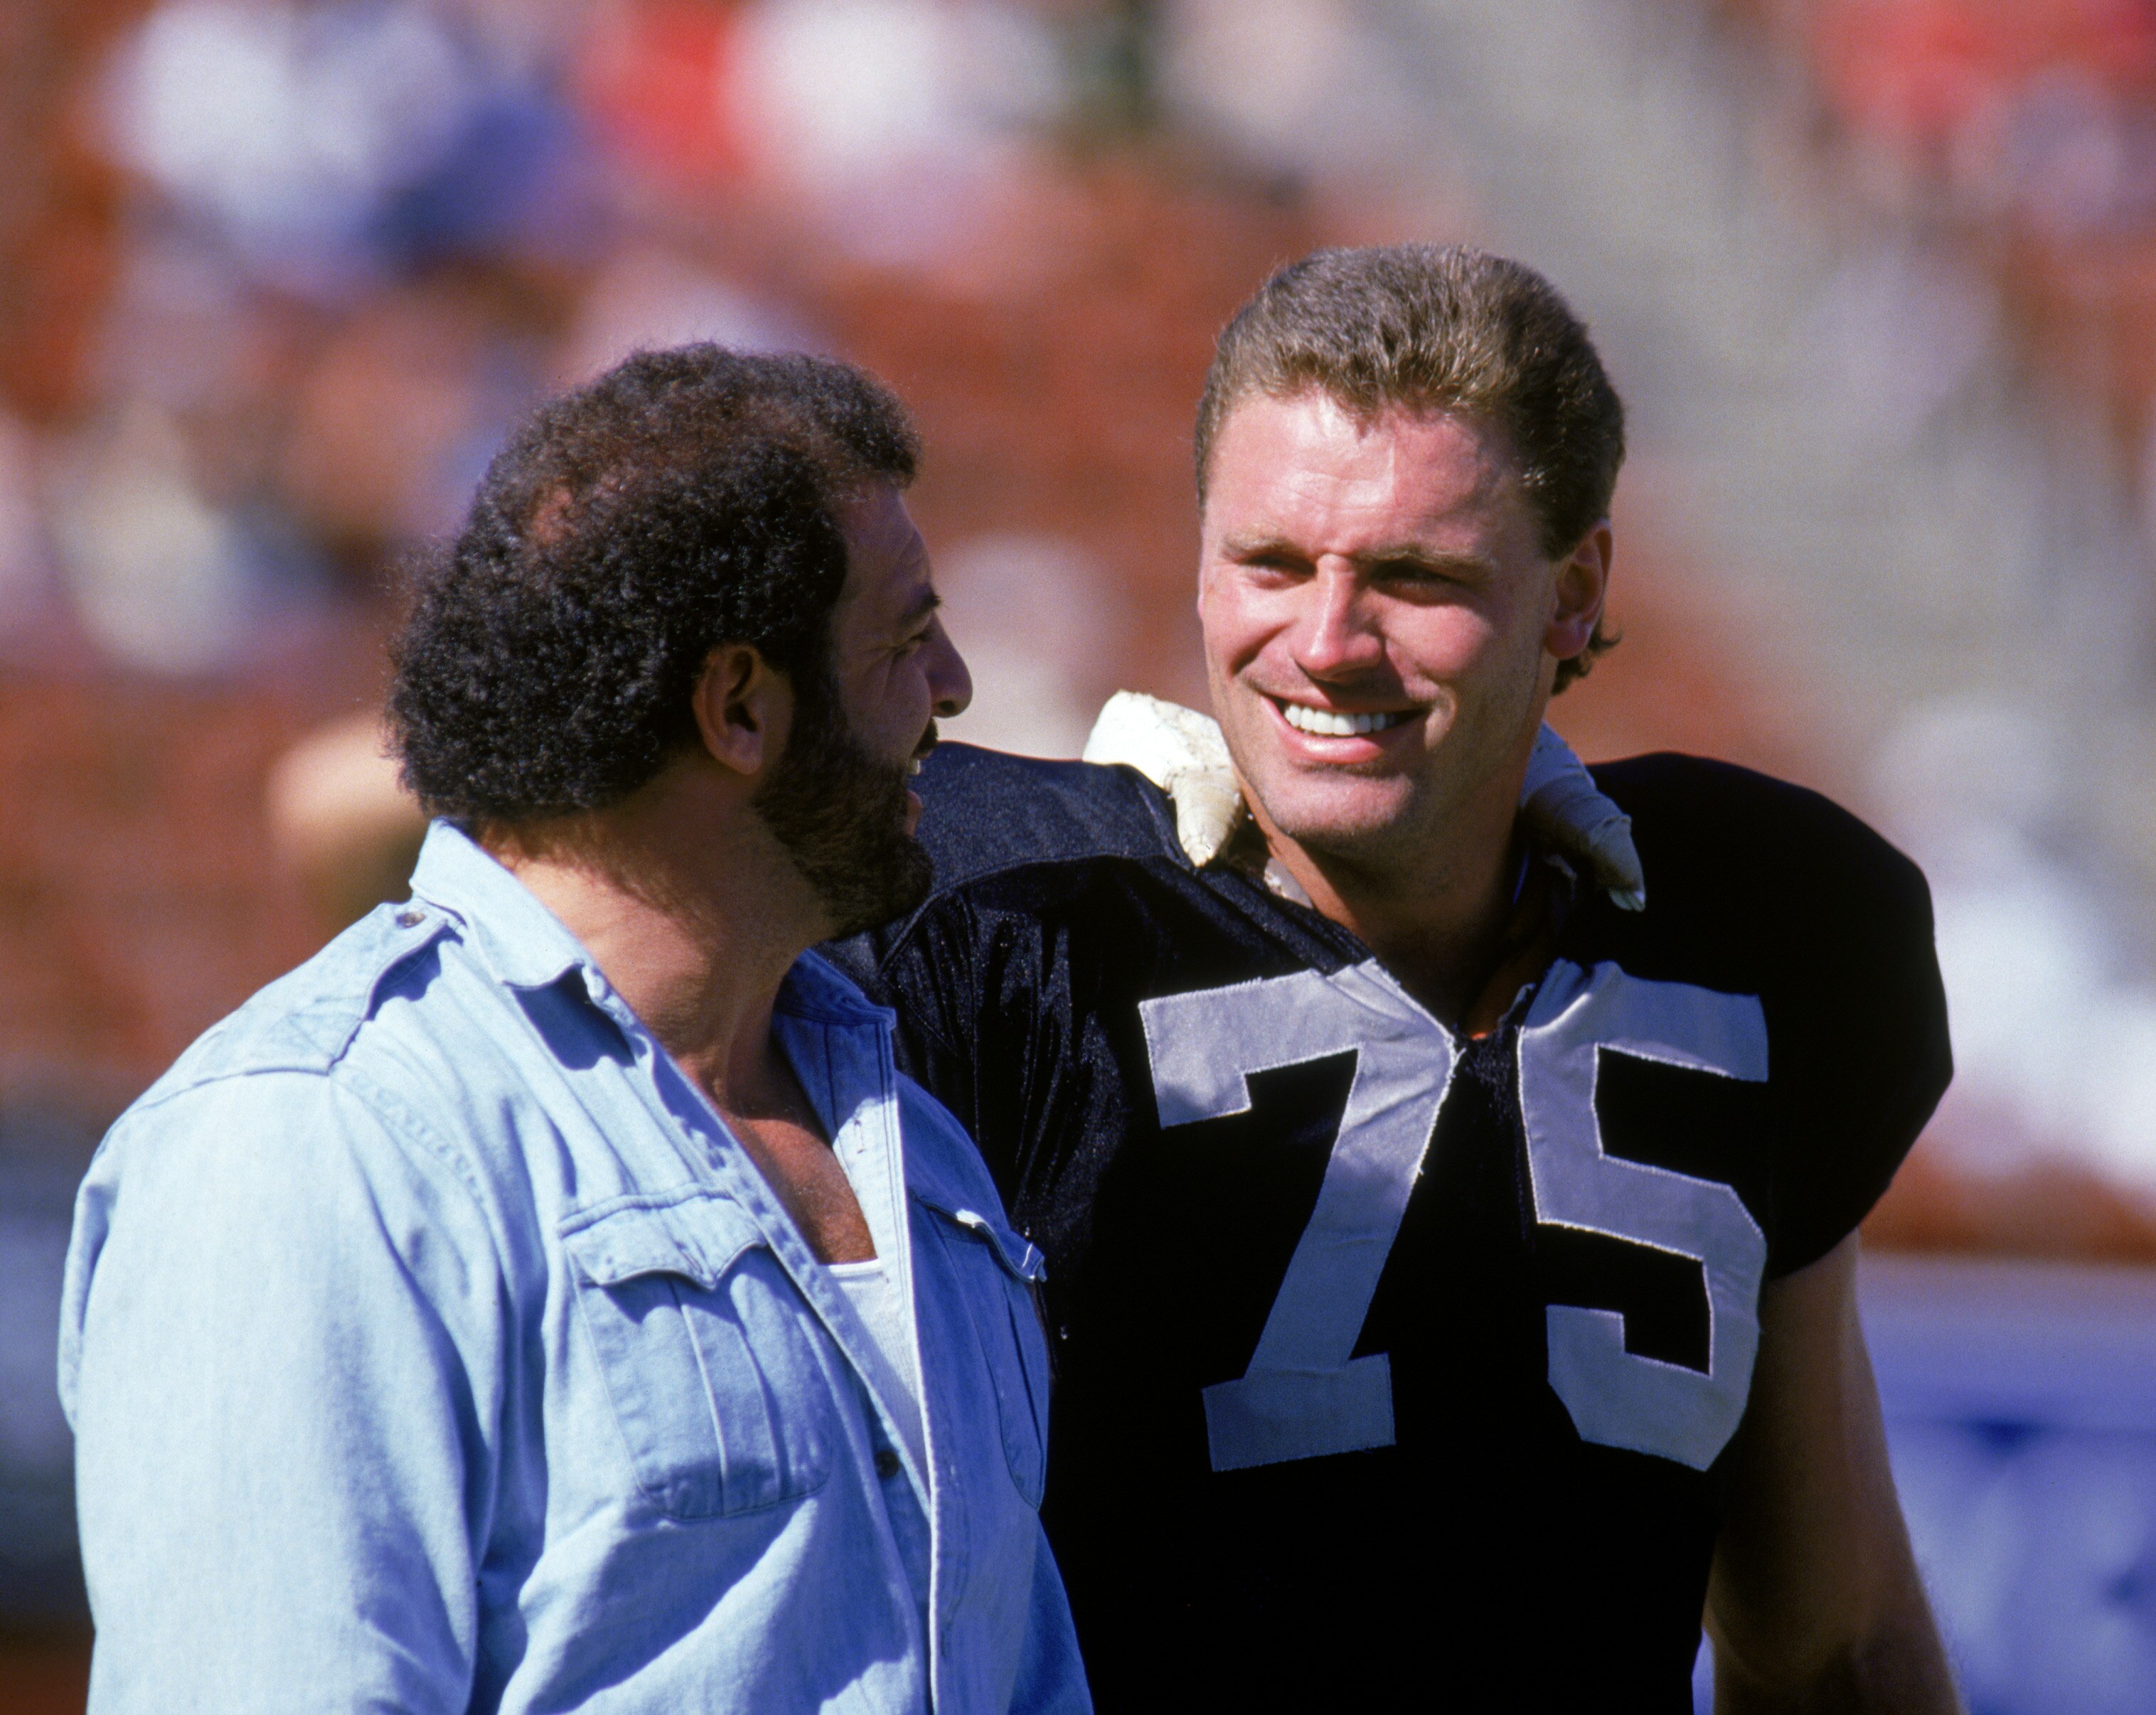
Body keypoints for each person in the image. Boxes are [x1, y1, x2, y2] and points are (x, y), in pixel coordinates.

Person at [836, 246, 1958, 1711]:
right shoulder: (1002, 905)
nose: (1325, 642)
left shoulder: (1748, 926)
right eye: (1271, 564)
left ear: (1576, 593)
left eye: (1415, 577)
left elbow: (1830, 1645)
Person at [60, 346, 1090, 1715]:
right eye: (905, 641)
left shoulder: (927, 1155)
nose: (954, 687)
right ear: (738, 708)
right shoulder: (315, 1144)